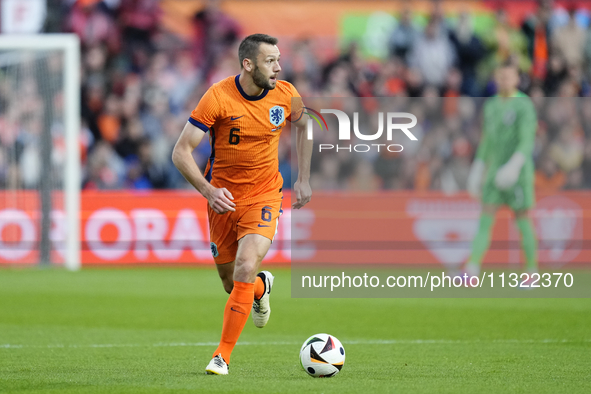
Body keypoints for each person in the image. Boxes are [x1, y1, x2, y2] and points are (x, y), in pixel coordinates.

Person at [172, 34, 312, 375]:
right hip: (223, 199)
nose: (278, 67)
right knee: (232, 282)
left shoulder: (286, 93)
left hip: (265, 194)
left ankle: (222, 355)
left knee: (245, 266)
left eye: (279, 59)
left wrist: (304, 178)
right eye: (270, 61)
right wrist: (208, 191)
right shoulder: (218, 97)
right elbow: (180, 152)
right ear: (248, 64)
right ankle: (261, 288)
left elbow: (305, 126)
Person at [465, 61, 538, 282]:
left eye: (508, 76)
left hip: (518, 172)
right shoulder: (491, 105)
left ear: (517, 79)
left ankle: (531, 271)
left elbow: (527, 140)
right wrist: (477, 168)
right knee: (485, 218)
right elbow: (486, 140)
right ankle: (472, 268)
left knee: (522, 218)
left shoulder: (524, 105)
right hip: (494, 171)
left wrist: (514, 165)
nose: (503, 80)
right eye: (500, 76)